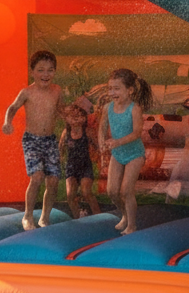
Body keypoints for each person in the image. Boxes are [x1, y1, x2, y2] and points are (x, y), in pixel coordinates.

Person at [2, 50, 65, 230]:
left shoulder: (57, 91)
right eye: (41, 70)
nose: (46, 74)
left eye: (50, 70)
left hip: (50, 140)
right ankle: (28, 216)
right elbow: (12, 108)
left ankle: (44, 217)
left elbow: (60, 109)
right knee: (37, 177)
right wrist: (7, 122)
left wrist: (71, 119)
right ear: (32, 72)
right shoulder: (27, 92)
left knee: (53, 181)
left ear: (54, 71)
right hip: (32, 140)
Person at [99, 68, 152, 235]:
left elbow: (137, 132)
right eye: (110, 88)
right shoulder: (108, 108)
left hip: (135, 154)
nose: (112, 92)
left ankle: (132, 225)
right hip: (118, 154)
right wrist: (101, 141)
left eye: (117, 88)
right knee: (112, 191)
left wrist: (117, 142)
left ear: (129, 90)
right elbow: (102, 127)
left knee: (126, 190)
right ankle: (124, 215)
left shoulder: (134, 108)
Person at [60, 102, 101, 218]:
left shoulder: (87, 132)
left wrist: (99, 156)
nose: (77, 119)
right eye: (73, 116)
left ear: (84, 118)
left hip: (85, 166)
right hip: (71, 167)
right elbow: (61, 148)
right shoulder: (66, 133)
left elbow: (98, 146)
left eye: (80, 116)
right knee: (70, 195)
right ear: (67, 119)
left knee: (86, 192)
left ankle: (99, 216)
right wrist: (60, 159)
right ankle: (77, 217)